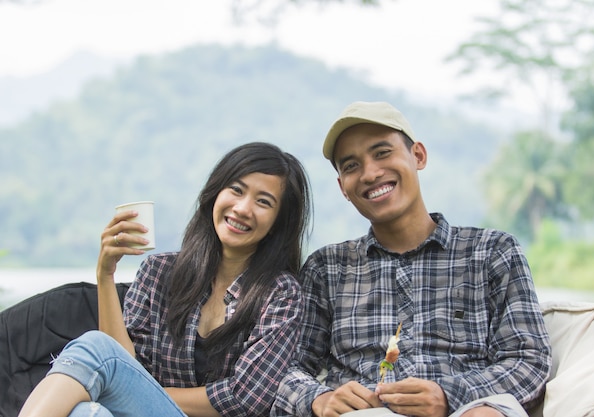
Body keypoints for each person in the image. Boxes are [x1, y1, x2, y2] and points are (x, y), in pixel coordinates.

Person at [271, 102, 552, 417]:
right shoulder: (328, 267)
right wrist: (318, 398)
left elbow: (529, 359)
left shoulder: (492, 251)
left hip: (466, 410)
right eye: (351, 166)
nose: (370, 173)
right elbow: (285, 367)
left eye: (382, 153)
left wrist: (450, 395)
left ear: (418, 155)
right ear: (343, 188)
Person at [18, 142, 312, 417]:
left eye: (263, 201)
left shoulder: (281, 294)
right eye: (236, 190)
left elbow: (245, 396)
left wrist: (136, 388)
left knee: (96, 350)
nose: (243, 208)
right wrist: (105, 275)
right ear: (215, 194)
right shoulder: (159, 271)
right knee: (87, 413)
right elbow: (126, 361)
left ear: (277, 223)